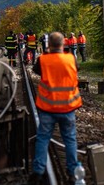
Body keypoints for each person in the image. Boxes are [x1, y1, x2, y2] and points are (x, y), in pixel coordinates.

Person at [31, 32, 82, 182]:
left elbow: (36, 71)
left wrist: (47, 54)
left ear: (49, 45)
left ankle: (38, 172)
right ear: (63, 44)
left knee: (43, 138)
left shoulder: (43, 59)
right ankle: (72, 172)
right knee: (70, 139)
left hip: (47, 108)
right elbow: (76, 69)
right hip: (67, 107)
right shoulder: (71, 58)